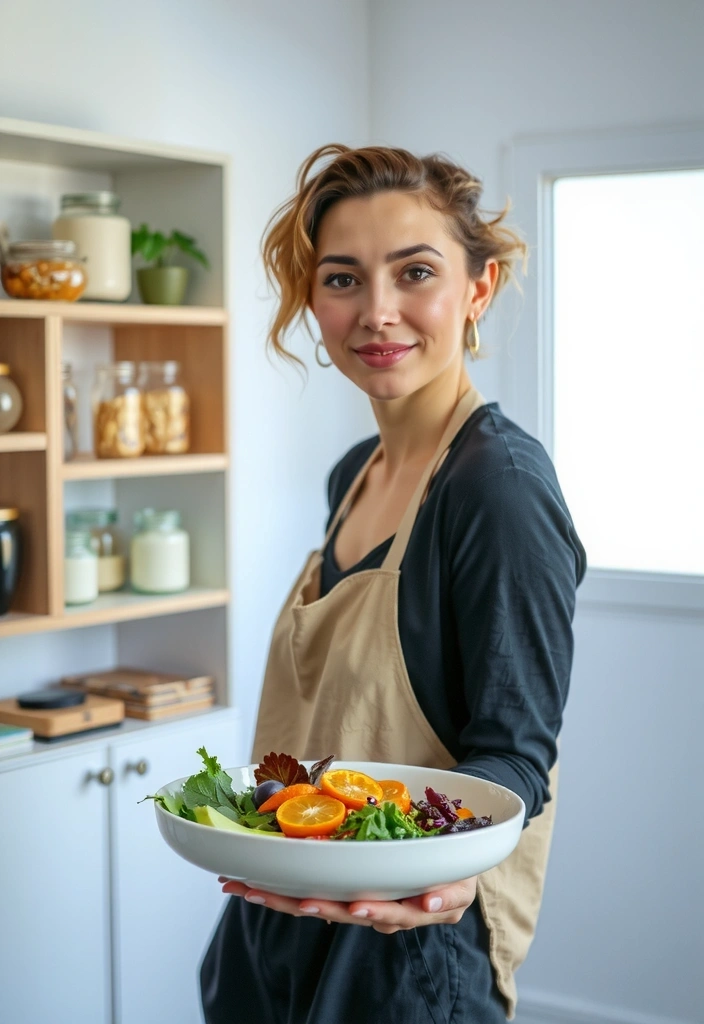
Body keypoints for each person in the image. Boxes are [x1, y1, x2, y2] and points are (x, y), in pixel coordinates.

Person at [200, 144, 587, 1024]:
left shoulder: (497, 490)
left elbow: (518, 753)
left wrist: (445, 875)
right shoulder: (353, 475)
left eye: (416, 272)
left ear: (477, 290)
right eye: (341, 279)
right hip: (273, 922)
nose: (378, 312)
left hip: (405, 951)